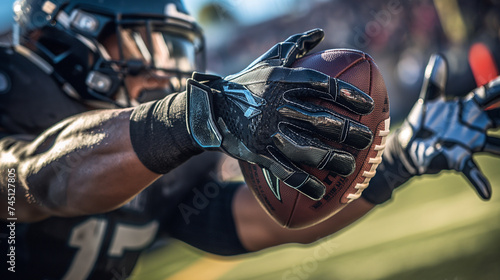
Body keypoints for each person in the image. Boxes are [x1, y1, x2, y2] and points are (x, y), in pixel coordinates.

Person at [0, 0, 498, 279]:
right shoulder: (15, 93)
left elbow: (253, 224)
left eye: (175, 48)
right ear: (69, 39)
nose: (166, 69)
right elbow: (35, 181)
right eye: (147, 42)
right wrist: (193, 117)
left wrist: (393, 164)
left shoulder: (161, 145)